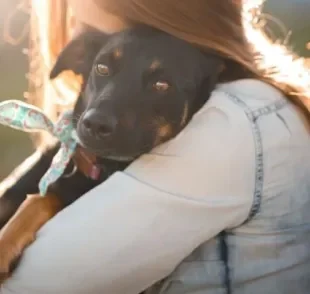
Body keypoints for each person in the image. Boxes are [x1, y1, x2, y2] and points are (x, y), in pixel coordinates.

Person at [1, 0, 310, 293]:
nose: (74, 35)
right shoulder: (250, 101)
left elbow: (37, 284)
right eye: (104, 68)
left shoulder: (226, 122)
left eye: (83, 24)